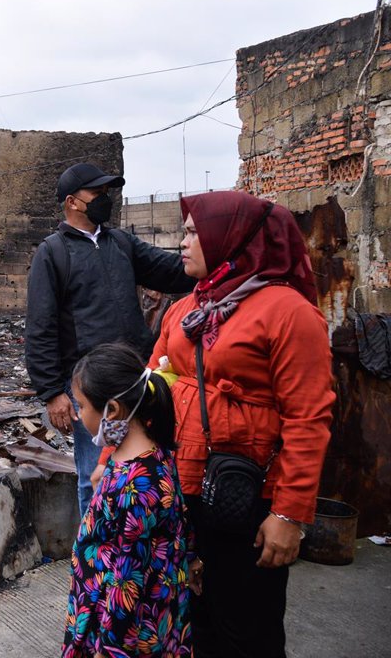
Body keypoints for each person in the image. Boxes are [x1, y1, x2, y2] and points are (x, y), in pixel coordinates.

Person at [152, 190, 334, 658]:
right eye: (185, 231)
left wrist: (289, 515)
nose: (183, 243)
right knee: (194, 619)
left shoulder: (288, 313)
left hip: (249, 496)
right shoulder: (188, 307)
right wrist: (114, 461)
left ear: (230, 238)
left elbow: (308, 419)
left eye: (194, 233)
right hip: (183, 488)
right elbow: (150, 391)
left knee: (247, 627)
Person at [26, 162, 195, 515]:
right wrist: (52, 392)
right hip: (90, 383)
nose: (105, 199)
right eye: (97, 193)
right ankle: (95, 554)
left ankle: (140, 537)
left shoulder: (120, 242)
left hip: (137, 374)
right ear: (72, 202)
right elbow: (40, 326)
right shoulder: (53, 252)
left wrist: (213, 264)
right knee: (94, 472)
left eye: (107, 192)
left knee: (147, 459)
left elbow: (170, 271)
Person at [62, 342, 194, 658]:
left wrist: (109, 648)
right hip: (120, 607)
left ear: (114, 410)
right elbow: (180, 520)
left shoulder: (136, 485)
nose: (79, 416)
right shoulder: (148, 453)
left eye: (81, 406)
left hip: (123, 629)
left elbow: (126, 580)